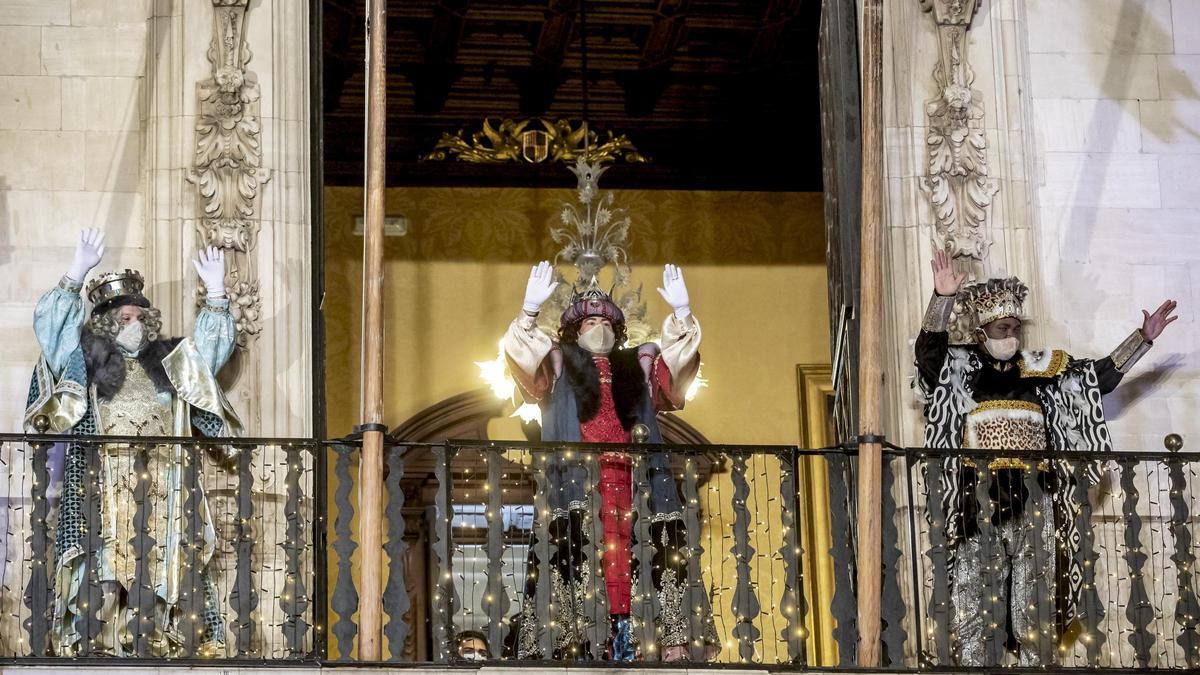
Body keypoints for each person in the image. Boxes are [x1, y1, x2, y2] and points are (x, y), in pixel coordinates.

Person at [914, 248, 1178, 666]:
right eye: (1003, 327)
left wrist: (1142, 339)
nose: (1012, 333)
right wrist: (942, 299)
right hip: (974, 508)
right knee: (970, 613)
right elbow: (927, 361)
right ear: (983, 330)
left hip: (1036, 505)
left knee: (1032, 615)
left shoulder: (1044, 369)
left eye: (1016, 327)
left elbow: (1098, 378)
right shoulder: (959, 366)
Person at [25, 228, 244, 657]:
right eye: (124, 318)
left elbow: (208, 359)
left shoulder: (170, 360)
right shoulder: (85, 358)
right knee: (102, 565)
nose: (135, 323)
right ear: (106, 323)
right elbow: (50, 332)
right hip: (101, 483)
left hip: (163, 484)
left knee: (166, 564)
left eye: (140, 316)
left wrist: (216, 293)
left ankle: (161, 636)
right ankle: (97, 640)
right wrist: (75, 272)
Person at [502, 262, 716, 661]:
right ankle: (572, 639)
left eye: (603, 320)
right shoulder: (556, 361)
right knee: (579, 555)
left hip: (639, 484)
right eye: (589, 322)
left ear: (616, 331)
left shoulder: (640, 363)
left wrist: (683, 315)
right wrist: (529, 311)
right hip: (577, 484)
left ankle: (661, 640)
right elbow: (521, 353)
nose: (597, 326)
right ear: (574, 331)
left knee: (641, 555)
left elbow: (678, 368)